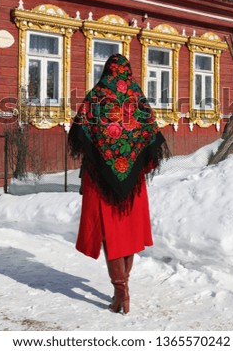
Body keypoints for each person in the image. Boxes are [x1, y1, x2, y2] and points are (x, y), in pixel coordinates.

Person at [68, 54, 170, 314]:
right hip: (132, 183)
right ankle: (122, 290)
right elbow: (150, 138)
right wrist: (135, 167)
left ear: (106, 71)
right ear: (128, 72)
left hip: (101, 182)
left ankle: (120, 291)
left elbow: (80, 133)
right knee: (127, 233)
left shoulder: (96, 96)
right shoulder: (137, 97)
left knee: (110, 234)